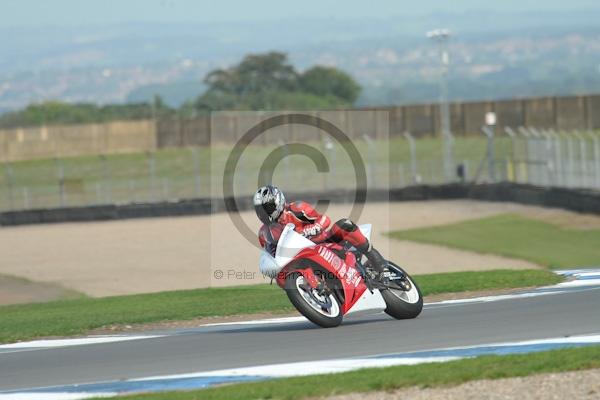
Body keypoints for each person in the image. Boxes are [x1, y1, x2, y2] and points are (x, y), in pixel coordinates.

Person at [253, 184, 388, 278]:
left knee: (345, 225)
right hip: (300, 258)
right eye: (261, 210)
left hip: (323, 242)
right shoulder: (264, 233)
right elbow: (271, 255)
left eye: (268, 207)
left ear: (278, 201)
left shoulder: (297, 209)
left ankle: (380, 264)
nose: (265, 213)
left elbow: (324, 220)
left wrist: (307, 231)